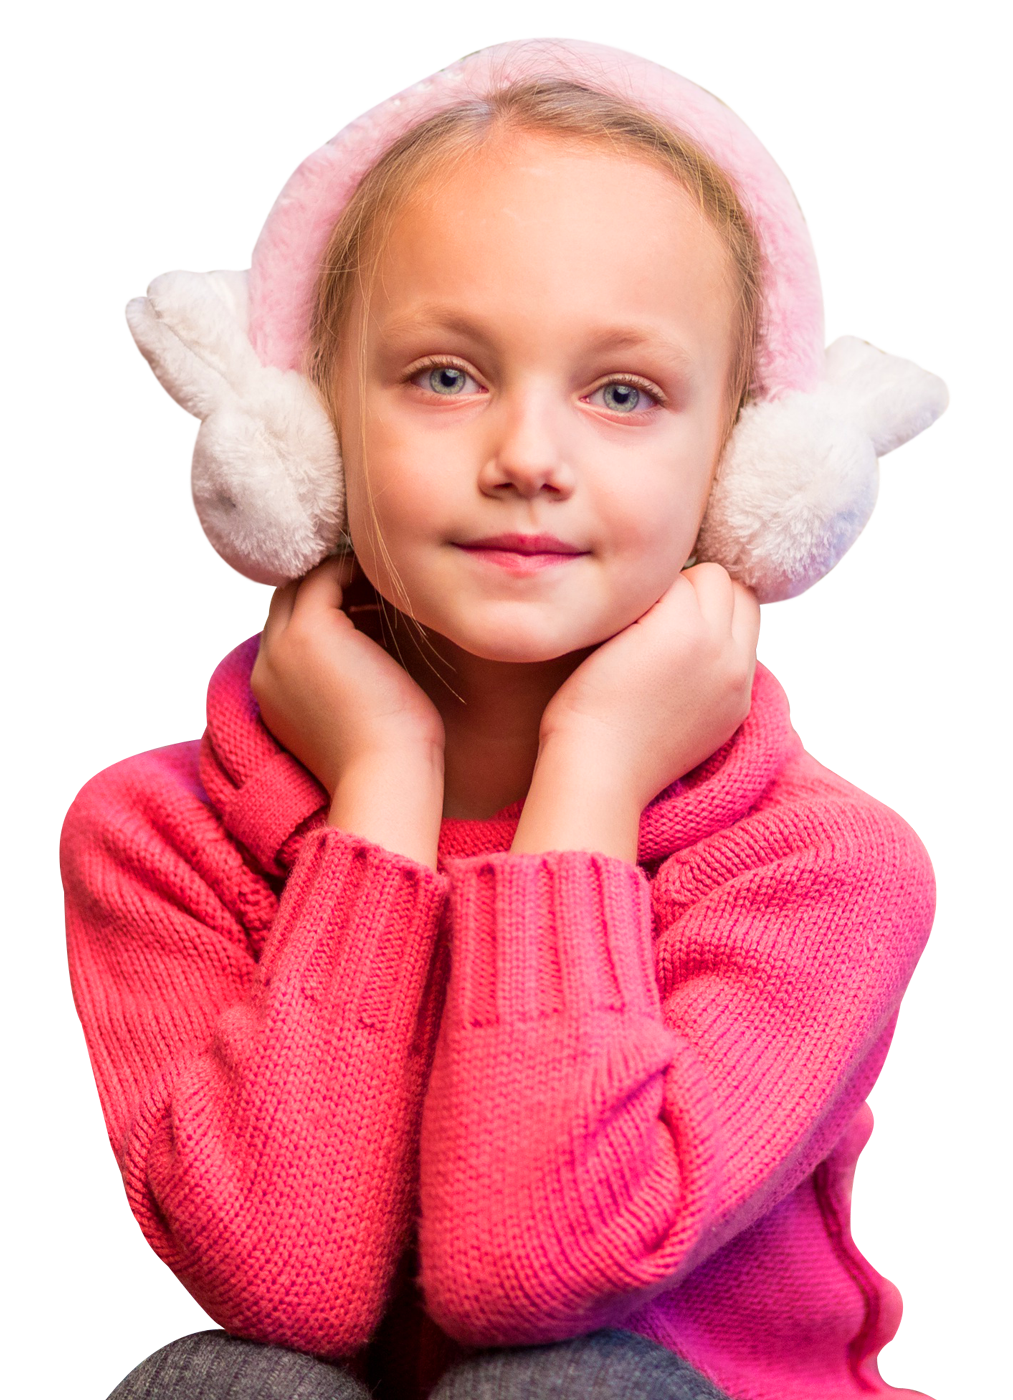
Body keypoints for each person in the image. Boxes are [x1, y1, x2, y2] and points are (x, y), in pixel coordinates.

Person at [61, 37, 948, 1400]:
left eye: (624, 394)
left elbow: (536, 1273)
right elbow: (285, 1282)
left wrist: (588, 778)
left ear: (744, 472)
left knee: (562, 1382)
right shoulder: (156, 837)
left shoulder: (822, 871)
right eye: (444, 376)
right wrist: (382, 789)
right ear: (302, 436)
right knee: (222, 1378)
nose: (529, 456)